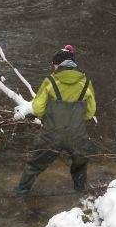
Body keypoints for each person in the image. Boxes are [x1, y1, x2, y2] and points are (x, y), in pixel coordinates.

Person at [16, 45, 96, 195]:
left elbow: (37, 109)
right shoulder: (86, 82)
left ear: (59, 64)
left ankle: (21, 193)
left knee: (34, 164)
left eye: (54, 64)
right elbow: (90, 113)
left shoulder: (50, 81)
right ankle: (80, 195)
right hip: (77, 136)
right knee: (80, 164)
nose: (53, 68)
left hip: (51, 135)